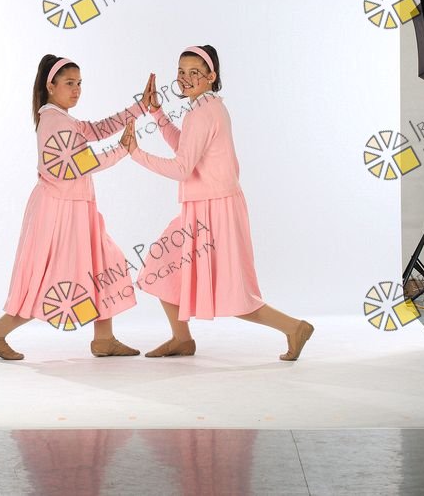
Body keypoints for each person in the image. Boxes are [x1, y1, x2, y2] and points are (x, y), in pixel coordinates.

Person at [120, 45, 314, 360]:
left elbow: (182, 168)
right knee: (161, 265)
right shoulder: (205, 108)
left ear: (211, 76)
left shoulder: (203, 112)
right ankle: (181, 338)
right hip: (204, 207)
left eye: (195, 72)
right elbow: (186, 148)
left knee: (231, 291)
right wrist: (157, 111)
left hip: (214, 211)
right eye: (181, 72)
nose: (185, 78)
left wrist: (136, 153)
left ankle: (294, 327)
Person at [0, 55, 152, 360]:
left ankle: (104, 339)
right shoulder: (54, 121)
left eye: (79, 83)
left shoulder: (62, 118)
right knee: (51, 280)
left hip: (76, 208)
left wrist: (140, 108)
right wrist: (122, 149)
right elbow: (79, 164)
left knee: (105, 265)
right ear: (51, 85)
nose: (76, 90)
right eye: (70, 83)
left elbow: (97, 129)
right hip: (59, 213)